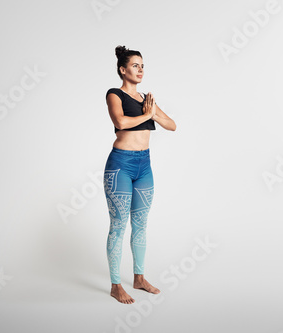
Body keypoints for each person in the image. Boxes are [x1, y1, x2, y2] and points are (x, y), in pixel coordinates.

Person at [103, 45, 177, 304]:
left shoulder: (146, 100)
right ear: (123, 70)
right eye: (135, 65)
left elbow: (172, 125)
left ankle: (139, 278)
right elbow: (120, 122)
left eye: (143, 65)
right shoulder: (114, 94)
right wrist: (147, 114)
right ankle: (115, 285)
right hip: (121, 165)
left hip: (144, 166)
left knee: (141, 225)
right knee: (119, 226)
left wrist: (152, 112)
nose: (140, 69)